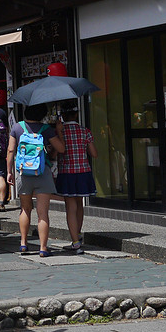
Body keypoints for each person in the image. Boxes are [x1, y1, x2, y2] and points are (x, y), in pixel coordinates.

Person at [7, 102, 65, 256]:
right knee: (43, 213)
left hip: (23, 173)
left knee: (25, 209)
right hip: (42, 172)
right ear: (43, 115)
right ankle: (43, 248)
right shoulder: (46, 129)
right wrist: (58, 131)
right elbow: (61, 149)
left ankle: (23, 244)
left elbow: (11, 150)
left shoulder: (17, 128)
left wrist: (9, 172)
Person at [55, 102, 96, 254]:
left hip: (67, 172)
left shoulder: (60, 131)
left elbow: (56, 152)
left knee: (70, 207)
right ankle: (78, 235)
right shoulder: (85, 131)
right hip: (83, 171)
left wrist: (59, 132)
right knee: (79, 204)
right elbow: (94, 153)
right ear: (77, 114)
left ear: (63, 116)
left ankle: (75, 242)